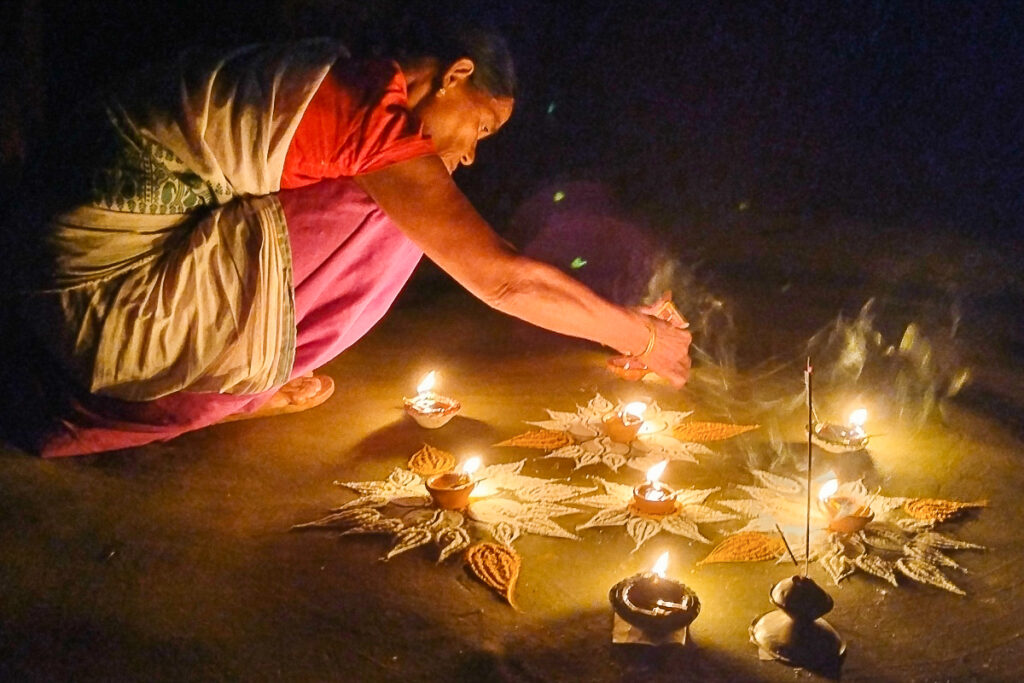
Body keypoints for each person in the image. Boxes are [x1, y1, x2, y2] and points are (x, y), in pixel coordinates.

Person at [2, 25, 691, 457]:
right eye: (480, 126)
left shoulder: (330, 73)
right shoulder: (362, 114)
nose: (474, 152)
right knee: (391, 215)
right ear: (454, 76)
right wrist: (639, 336)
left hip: (68, 287)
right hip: (108, 311)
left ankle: (233, 376)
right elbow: (501, 278)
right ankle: (230, 383)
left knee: (413, 196)